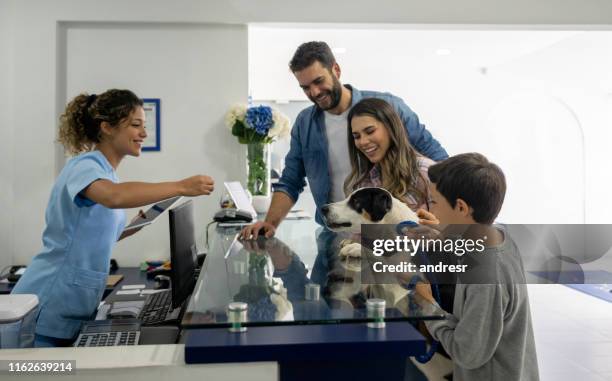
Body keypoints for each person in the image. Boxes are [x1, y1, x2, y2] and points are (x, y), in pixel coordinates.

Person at [12, 89, 215, 347]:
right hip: (46, 303)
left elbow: (97, 230)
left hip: (73, 304)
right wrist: (180, 186)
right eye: (135, 125)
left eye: (144, 126)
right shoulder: (84, 166)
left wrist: (134, 225)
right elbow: (114, 197)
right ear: (107, 127)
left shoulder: (106, 173)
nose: (144, 134)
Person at [241, 41, 447, 239]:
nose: (314, 92)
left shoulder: (388, 106)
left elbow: (441, 164)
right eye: (305, 87)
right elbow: (291, 180)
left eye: (319, 81)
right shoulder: (305, 123)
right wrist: (270, 223)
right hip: (337, 231)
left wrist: (439, 218)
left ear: (336, 70)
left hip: (394, 232)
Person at [415, 153, 539, 381]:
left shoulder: (487, 279)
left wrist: (427, 305)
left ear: (461, 208)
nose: (430, 208)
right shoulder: (499, 236)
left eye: (434, 201)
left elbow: (467, 353)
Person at [345, 97, 439, 225]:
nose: (363, 142)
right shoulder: (365, 183)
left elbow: (454, 232)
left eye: (370, 131)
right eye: (357, 136)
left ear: (391, 128)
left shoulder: (425, 171)